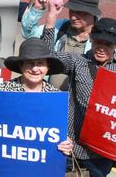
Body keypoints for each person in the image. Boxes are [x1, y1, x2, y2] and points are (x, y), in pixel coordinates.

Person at [42, 12, 116, 177]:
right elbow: (46, 57)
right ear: (91, 39)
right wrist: (50, 22)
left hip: (100, 154)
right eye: (98, 42)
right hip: (70, 146)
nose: (102, 48)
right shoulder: (77, 61)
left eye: (108, 44)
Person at [0, 38, 73, 155]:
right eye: (30, 63)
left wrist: (67, 145)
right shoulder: (2, 93)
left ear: (48, 67)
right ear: (21, 66)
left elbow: (65, 139)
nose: (35, 69)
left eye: (40, 63)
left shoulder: (56, 98)